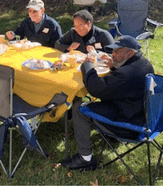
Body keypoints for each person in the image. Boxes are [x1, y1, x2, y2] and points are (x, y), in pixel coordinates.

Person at [61, 35, 154, 170]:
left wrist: (87, 65)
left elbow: (97, 89)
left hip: (129, 125)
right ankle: (107, 139)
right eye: (113, 51)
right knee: (104, 96)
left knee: (78, 109)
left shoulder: (127, 73)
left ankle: (85, 158)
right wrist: (114, 67)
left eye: (117, 52)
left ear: (129, 53)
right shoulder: (143, 63)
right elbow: (126, 84)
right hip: (143, 115)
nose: (112, 55)